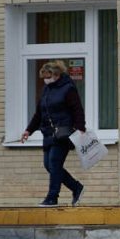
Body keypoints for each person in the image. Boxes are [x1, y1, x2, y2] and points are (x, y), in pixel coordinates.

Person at [19, 60, 86, 207]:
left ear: (56, 74)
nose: (45, 79)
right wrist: (28, 130)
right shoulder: (46, 90)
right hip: (48, 133)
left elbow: (77, 109)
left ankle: (52, 197)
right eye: (44, 77)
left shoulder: (68, 88)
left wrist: (80, 128)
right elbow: (39, 113)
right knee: (48, 165)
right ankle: (76, 187)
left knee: (54, 162)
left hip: (63, 133)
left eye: (48, 76)